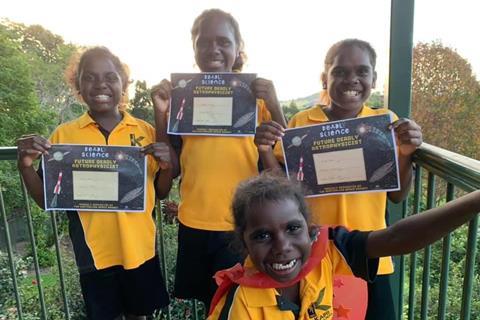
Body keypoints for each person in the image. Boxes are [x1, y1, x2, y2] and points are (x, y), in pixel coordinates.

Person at [254, 38, 423, 318]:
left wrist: (406, 153)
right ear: (325, 78)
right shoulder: (301, 123)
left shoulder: (386, 122)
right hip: (316, 257)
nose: (351, 79)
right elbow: (285, 189)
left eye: (362, 72)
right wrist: (265, 150)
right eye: (340, 72)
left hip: (371, 255)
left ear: (374, 78)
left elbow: (397, 195)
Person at [16, 47, 173, 320]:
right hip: (93, 254)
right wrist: (25, 165)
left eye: (110, 77)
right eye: (90, 77)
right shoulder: (63, 135)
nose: (101, 84)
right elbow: (46, 199)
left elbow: (161, 191)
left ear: (124, 84)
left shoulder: (145, 131)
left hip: (139, 248)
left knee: (140, 315)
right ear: (78, 85)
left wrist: (168, 165)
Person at [150, 8, 287, 309]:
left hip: (241, 223)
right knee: (206, 302)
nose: (213, 49)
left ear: (238, 49)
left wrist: (275, 106)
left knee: (239, 302)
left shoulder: (256, 97)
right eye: (204, 42)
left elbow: (289, 156)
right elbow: (169, 167)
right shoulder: (181, 98)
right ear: (194, 48)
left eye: (223, 42)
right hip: (195, 222)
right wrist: (161, 113)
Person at [208, 173, 480, 320]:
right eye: (262, 236)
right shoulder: (240, 304)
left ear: (311, 230)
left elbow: (397, 237)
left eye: (293, 229)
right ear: (243, 240)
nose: (282, 246)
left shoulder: (326, 251)